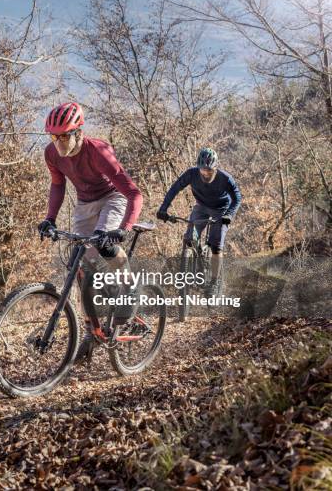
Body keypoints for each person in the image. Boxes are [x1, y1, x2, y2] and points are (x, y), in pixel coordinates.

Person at [38, 101, 143, 362]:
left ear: (78, 132)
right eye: (54, 136)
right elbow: (57, 185)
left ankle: (129, 287)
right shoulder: (51, 154)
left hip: (112, 198)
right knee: (79, 266)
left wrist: (124, 229)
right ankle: (90, 330)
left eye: (64, 136)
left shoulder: (98, 152)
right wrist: (50, 218)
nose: (59, 143)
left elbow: (133, 193)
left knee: (106, 246)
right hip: (85, 204)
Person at [156, 147, 241, 291]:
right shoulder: (191, 174)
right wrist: (163, 209)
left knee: (216, 245)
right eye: (202, 170)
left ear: (215, 168)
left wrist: (229, 214)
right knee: (190, 239)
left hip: (221, 209)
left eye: (209, 170)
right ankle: (193, 262)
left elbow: (237, 197)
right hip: (201, 206)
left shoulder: (225, 178)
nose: (205, 173)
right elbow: (174, 189)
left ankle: (214, 282)